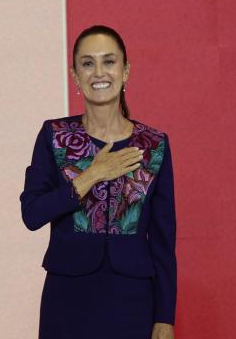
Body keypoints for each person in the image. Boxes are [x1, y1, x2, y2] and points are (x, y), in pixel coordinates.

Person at [20, 25, 177, 339]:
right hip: (67, 298)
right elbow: (32, 214)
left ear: (125, 70)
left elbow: (163, 241)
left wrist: (164, 317)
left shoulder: (153, 144)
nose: (99, 72)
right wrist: (90, 175)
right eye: (87, 63)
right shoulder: (54, 136)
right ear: (75, 76)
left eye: (109, 61)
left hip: (132, 300)